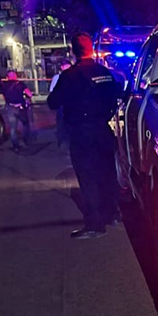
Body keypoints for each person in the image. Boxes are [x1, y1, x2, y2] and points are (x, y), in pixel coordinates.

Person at [48, 33, 122, 240]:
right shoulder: (104, 72)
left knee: (88, 177)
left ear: (73, 51)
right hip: (103, 129)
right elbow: (116, 95)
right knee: (107, 173)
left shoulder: (70, 76)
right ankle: (113, 213)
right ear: (91, 49)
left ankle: (95, 225)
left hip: (82, 131)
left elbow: (53, 102)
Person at [2, 70, 32, 153]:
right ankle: (24, 141)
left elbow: (4, 97)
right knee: (25, 124)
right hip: (20, 107)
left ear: (8, 77)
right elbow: (29, 94)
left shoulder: (5, 85)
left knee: (13, 128)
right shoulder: (20, 84)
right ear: (15, 76)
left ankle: (15, 146)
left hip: (10, 107)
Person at [50, 60, 72, 148]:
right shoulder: (57, 77)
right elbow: (52, 90)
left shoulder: (73, 76)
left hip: (69, 103)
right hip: (63, 104)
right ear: (62, 67)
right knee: (62, 122)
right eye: (66, 66)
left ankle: (65, 140)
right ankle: (62, 140)